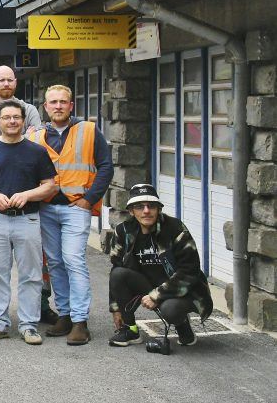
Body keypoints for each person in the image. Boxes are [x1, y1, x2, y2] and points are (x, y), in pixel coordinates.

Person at [28, 84, 113, 346]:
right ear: (45, 107)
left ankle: (79, 321)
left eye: (63, 102)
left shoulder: (88, 130)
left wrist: (89, 200)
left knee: (73, 259)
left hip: (77, 207)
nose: (58, 106)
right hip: (47, 208)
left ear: (71, 105)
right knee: (54, 262)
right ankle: (63, 314)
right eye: (52, 102)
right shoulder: (35, 137)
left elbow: (106, 166)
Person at [0, 99, 58, 345]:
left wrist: (28, 195)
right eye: (7, 118)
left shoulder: (36, 151)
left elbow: (50, 184)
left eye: (16, 117)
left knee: (31, 274)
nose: (12, 122)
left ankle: (29, 324)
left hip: (28, 219)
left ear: (23, 120)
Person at [107, 183, 213, 347]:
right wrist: (115, 308)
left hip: (181, 290)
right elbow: (116, 267)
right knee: (118, 274)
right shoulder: (123, 231)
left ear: (159, 209)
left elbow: (189, 271)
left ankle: (182, 325)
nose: (146, 211)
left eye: (152, 206)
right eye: (140, 206)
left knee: (170, 309)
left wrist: (157, 295)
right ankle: (131, 330)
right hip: (147, 284)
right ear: (131, 211)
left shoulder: (175, 228)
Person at [0, 65, 43, 139]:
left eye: (10, 80)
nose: (6, 84)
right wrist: (25, 137)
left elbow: (38, 139)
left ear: (15, 82)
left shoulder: (29, 110)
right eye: (1, 80)